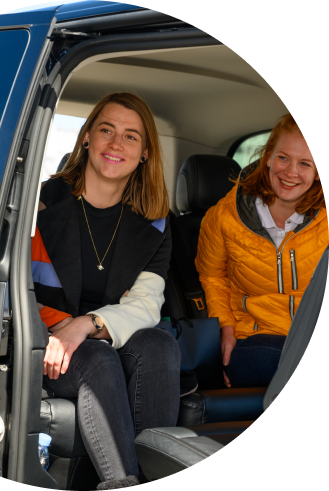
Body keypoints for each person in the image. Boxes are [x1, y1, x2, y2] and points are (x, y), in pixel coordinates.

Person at [33, 92, 181, 489]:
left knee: (160, 345)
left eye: (131, 137)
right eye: (107, 130)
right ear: (86, 138)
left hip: (101, 336)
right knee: (97, 356)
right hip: (48, 345)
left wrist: (88, 323)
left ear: (145, 152)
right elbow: (20, 291)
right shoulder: (42, 204)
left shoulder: (154, 222)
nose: (117, 144)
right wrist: (67, 329)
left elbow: (146, 304)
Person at [195, 113, 328, 388]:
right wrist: (224, 328)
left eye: (305, 163)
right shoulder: (223, 217)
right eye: (283, 158)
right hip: (251, 339)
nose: (291, 172)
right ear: (268, 157)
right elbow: (212, 278)